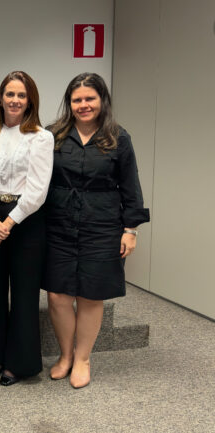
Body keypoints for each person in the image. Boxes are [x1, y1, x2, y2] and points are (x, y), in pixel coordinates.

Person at [44, 72, 149, 389]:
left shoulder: (119, 138)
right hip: (58, 224)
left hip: (102, 225)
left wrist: (131, 229)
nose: (83, 105)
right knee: (57, 295)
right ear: (69, 103)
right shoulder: (53, 135)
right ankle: (65, 355)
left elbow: (131, 187)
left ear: (102, 100)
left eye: (89, 98)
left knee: (91, 294)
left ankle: (83, 358)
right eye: (77, 99)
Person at [0, 71, 53, 386]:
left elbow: (38, 190)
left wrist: (9, 222)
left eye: (21, 95)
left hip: (25, 218)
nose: (15, 100)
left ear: (30, 101)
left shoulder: (41, 137)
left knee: (24, 293)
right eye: (9, 94)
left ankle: (19, 363)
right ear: (0, 98)